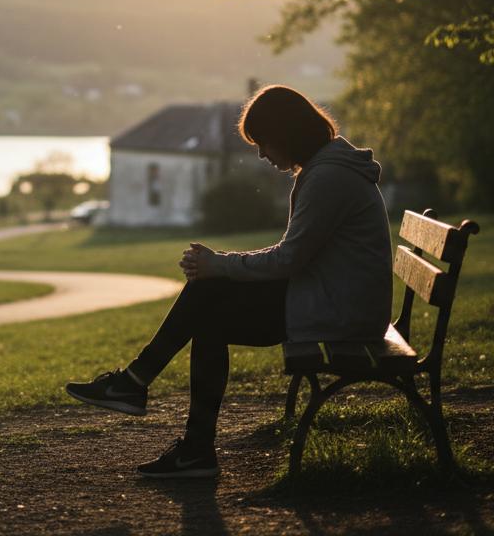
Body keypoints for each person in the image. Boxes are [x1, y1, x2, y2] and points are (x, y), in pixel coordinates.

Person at [65, 85, 393, 478]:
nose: (261, 155)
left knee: (210, 303)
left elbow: (289, 260)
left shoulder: (328, 178)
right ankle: (163, 415)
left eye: (264, 143)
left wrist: (221, 265)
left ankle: (151, 400)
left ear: (287, 133)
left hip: (343, 315)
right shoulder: (326, 168)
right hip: (334, 298)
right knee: (210, 297)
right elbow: (294, 255)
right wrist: (220, 266)